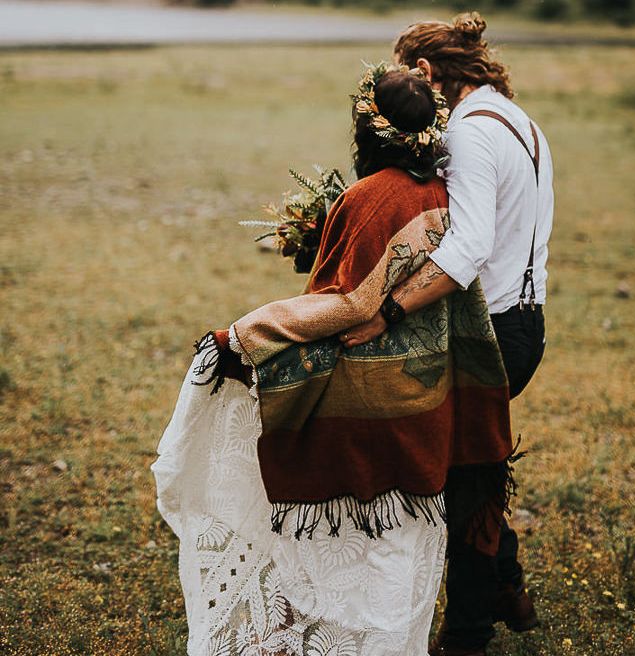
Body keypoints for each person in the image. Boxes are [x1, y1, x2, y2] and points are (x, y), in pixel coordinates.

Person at [152, 64, 518, 656]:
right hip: (425, 406)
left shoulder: (372, 197)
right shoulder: (443, 192)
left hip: (369, 412)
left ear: (367, 128)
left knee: (351, 546)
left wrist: (241, 335)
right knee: (399, 545)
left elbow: (347, 303)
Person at [340, 14, 554, 656]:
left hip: (489, 334)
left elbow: (467, 247)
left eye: (406, 71)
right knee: (474, 464)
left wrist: (389, 311)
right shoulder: (519, 121)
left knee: (455, 480)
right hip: (525, 319)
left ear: (428, 72)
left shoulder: (467, 135)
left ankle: (466, 636)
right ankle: (507, 586)